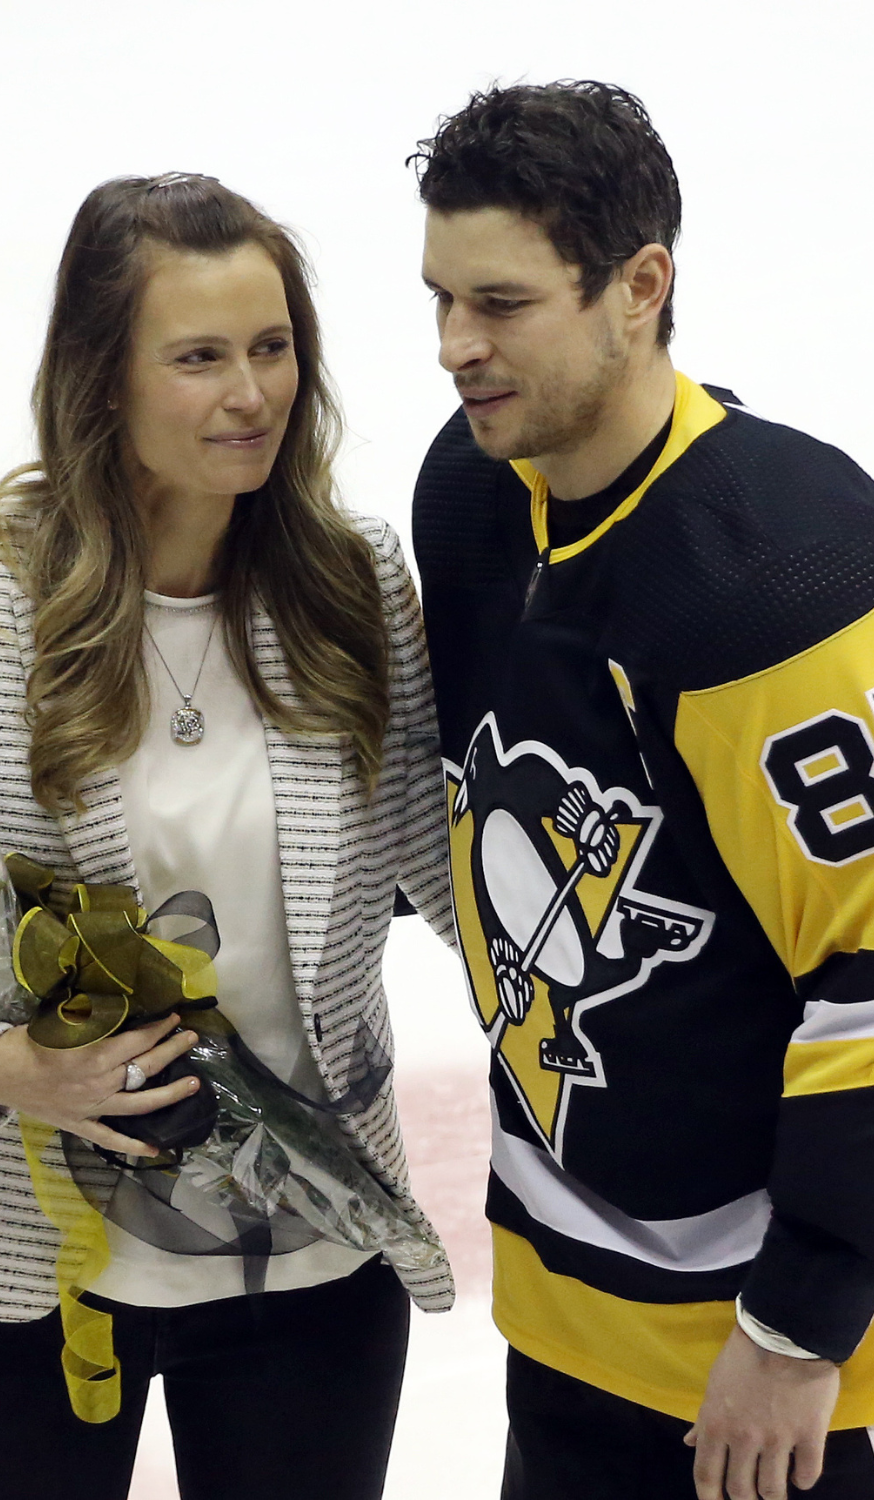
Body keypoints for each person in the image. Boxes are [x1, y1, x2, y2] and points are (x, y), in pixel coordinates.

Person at [0, 172, 454, 1500]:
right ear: (101, 378)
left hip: (312, 1258)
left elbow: (452, 860)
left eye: (272, 347)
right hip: (24, 1274)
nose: (251, 394)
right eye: (199, 357)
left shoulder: (352, 583)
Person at [409, 82, 874, 1500]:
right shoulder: (476, 492)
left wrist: (797, 1333)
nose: (454, 349)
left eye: (498, 304)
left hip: (778, 1384)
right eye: (436, 300)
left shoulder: (781, 578)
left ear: (640, 287)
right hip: (564, 1331)